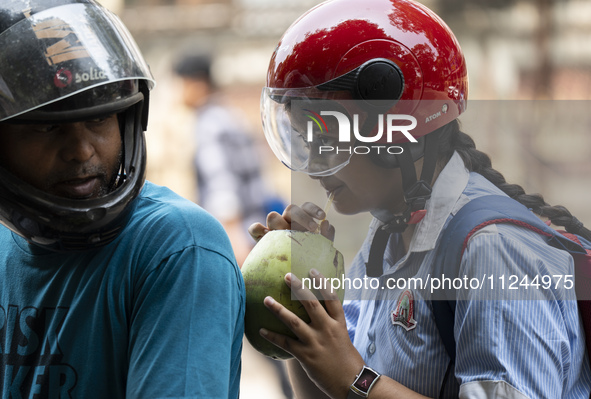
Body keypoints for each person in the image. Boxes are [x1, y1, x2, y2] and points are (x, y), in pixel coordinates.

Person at [248, 0, 591, 398]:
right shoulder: (388, 235)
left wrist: (357, 379)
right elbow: (334, 388)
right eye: (307, 142)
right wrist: (305, 315)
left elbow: (349, 383)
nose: (312, 167)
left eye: (327, 139)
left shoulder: (495, 249)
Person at [0, 1, 244, 398]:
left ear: (128, 119)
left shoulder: (177, 247)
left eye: (98, 120)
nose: (81, 150)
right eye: (47, 127)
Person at [173, 53, 284, 267]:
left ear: (197, 84)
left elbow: (221, 182)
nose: (178, 94)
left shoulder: (208, 125)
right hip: (258, 228)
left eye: (181, 85)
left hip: (239, 235)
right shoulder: (229, 115)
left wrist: (233, 236)